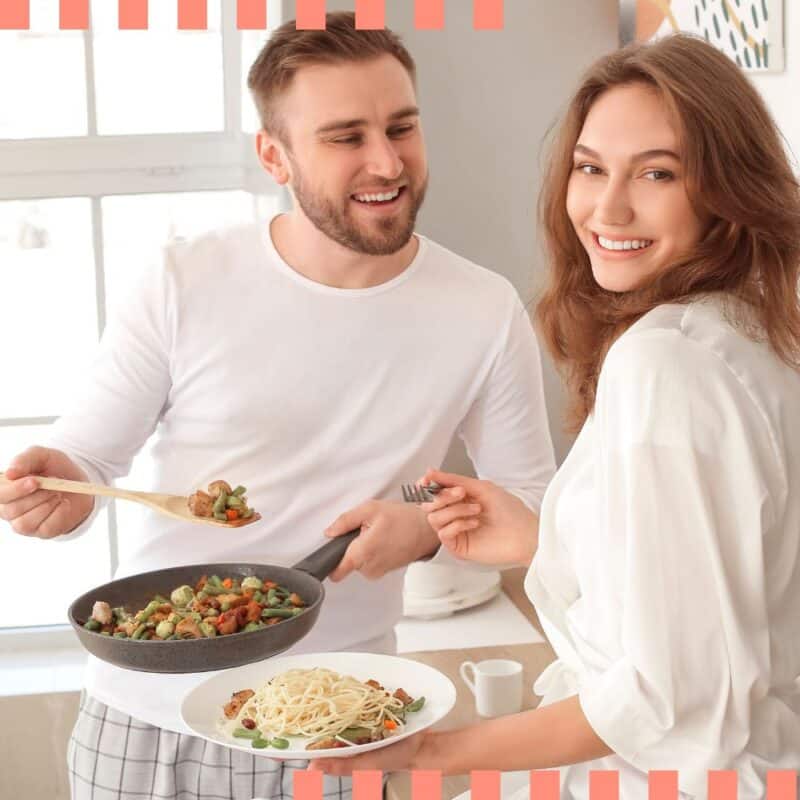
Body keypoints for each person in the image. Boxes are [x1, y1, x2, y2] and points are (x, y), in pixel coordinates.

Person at [0, 12, 555, 800]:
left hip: (340, 719)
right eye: (345, 136)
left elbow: (534, 508)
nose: (387, 160)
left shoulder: (484, 309)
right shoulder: (183, 280)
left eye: (402, 126)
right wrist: (55, 485)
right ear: (274, 155)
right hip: (145, 717)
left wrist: (425, 531)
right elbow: (88, 462)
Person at [311, 34, 800, 799]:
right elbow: (724, 588)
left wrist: (431, 753)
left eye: (659, 173)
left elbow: (666, 698)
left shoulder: (663, 363)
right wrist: (550, 541)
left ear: (727, 189)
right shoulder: (760, 331)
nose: (607, 208)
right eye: (591, 167)